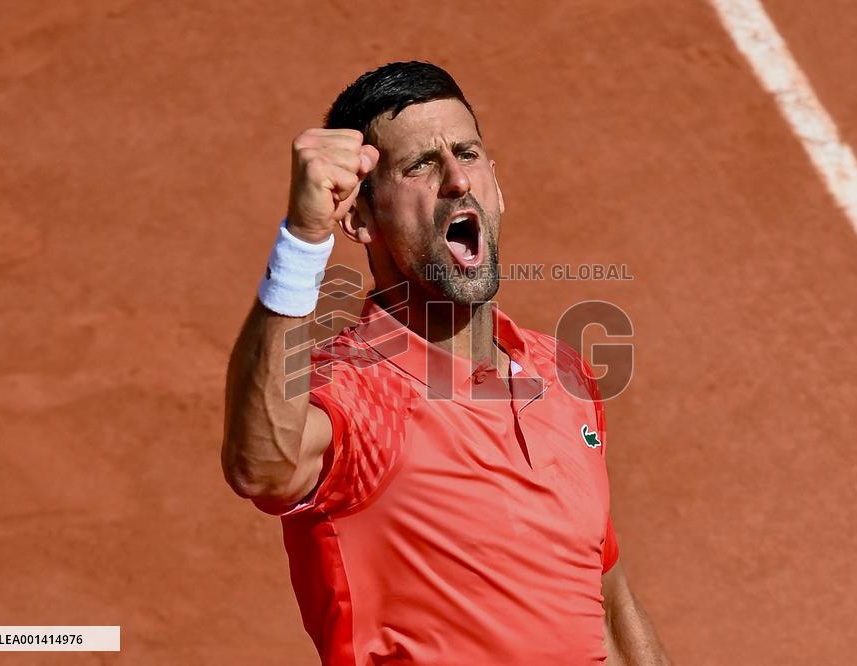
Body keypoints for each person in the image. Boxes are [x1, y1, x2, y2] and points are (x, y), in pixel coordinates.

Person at [221, 61, 670, 665]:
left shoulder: (562, 374)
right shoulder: (355, 389)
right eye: (420, 166)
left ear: (498, 187)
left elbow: (606, 600)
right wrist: (304, 237)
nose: (457, 179)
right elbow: (262, 467)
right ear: (358, 216)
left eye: (468, 153)